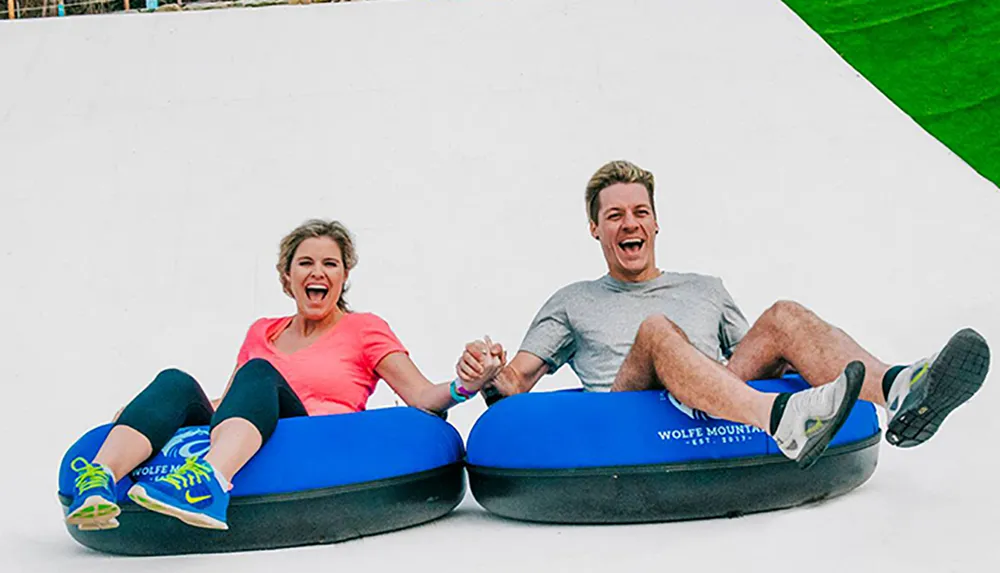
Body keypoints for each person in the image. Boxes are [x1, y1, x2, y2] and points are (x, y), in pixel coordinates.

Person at [459, 160, 990, 470]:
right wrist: (486, 375)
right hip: (632, 415)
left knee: (783, 314)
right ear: (594, 229)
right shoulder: (572, 299)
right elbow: (514, 387)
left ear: (657, 223)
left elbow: (764, 359)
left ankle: (901, 389)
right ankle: (783, 423)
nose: (629, 224)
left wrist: (815, 366)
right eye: (614, 215)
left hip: (713, 399)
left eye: (639, 212)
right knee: (656, 330)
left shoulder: (705, 288)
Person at [66, 219, 503, 532]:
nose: (318, 273)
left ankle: (208, 482)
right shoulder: (262, 331)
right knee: (175, 380)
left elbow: (421, 394)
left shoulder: (363, 327)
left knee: (261, 371)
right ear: (287, 276)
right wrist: (151, 412)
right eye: (306, 263)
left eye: (330, 264)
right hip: (252, 425)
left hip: (308, 437)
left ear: (344, 276)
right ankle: (100, 481)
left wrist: (468, 384)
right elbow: (234, 403)